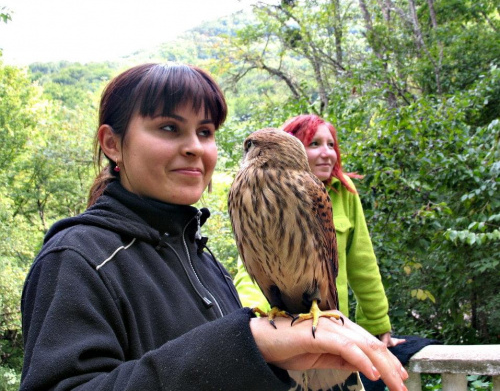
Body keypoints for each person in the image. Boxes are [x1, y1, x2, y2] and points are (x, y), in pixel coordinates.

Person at [20, 64, 408, 391]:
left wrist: (273, 360)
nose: (194, 147)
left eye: (205, 132)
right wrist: (246, 343)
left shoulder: (200, 258)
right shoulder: (76, 259)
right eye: (169, 128)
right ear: (112, 143)